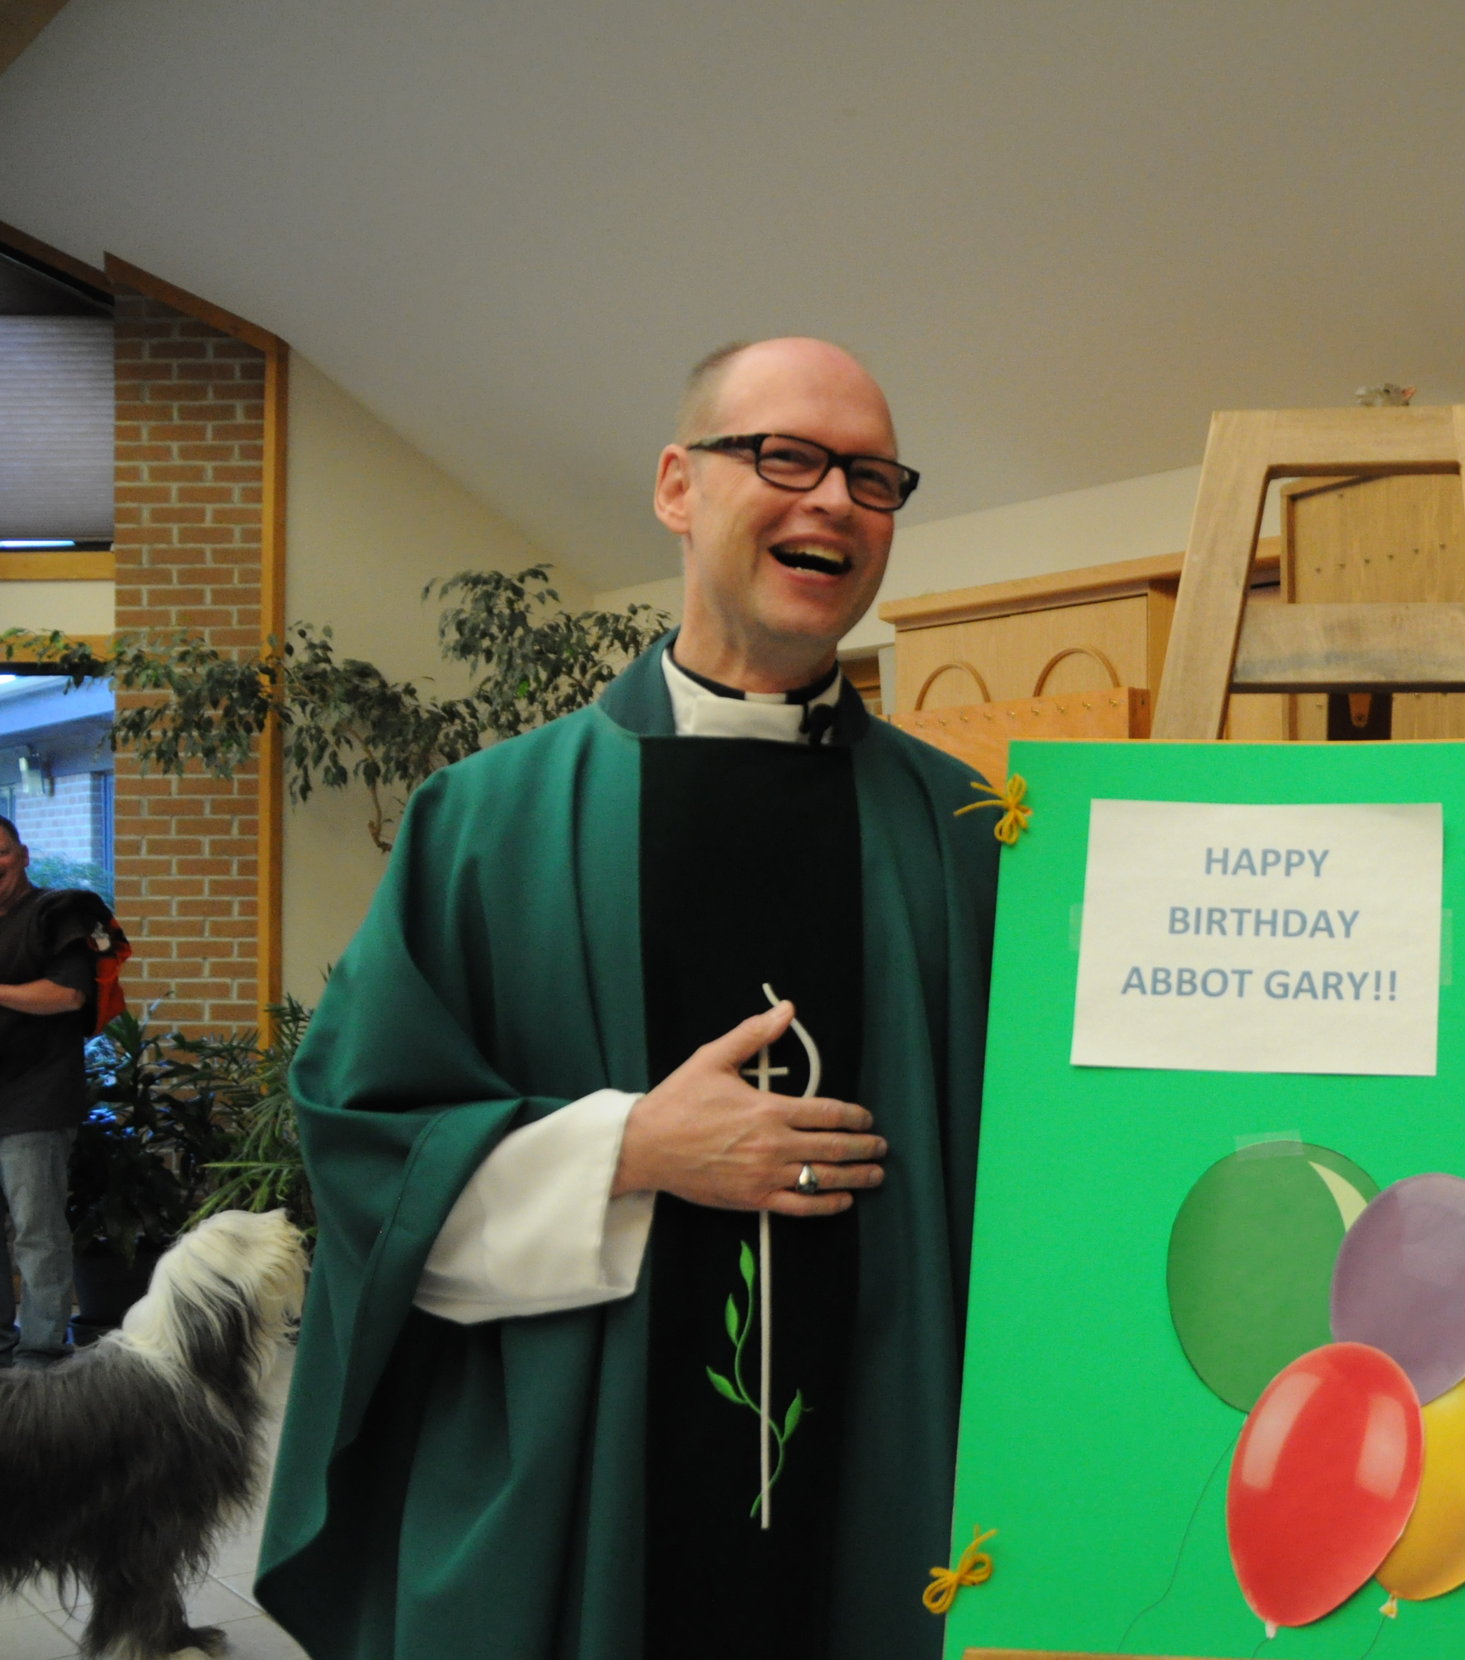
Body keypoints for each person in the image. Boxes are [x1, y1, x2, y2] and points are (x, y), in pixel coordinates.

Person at [258, 339, 1000, 1659]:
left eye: (873, 477)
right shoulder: (490, 820)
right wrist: (629, 1149)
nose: (833, 498)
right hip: (591, 1471)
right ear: (676, 485)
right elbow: (366, 1135)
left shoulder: (966, 834)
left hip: (895, 1486)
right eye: (785, 455)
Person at [0, 816, 95, 1372]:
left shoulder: (57, 914)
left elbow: (66, 995)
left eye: (2, 852)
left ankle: (43, 1350)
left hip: (35, 1101)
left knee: (37, 1233)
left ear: (23, 853)